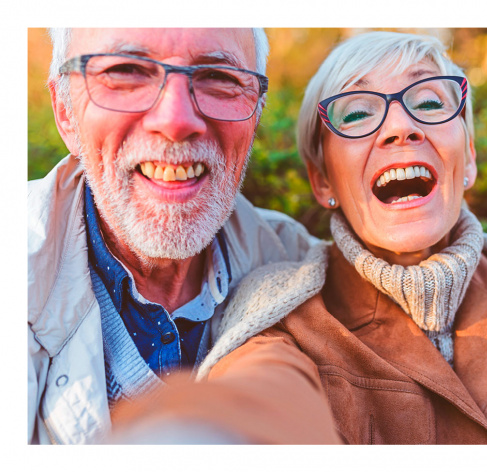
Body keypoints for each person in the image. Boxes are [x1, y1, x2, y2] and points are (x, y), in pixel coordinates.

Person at [193, 30, 487, 444]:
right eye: (356, 114)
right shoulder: (279, 318)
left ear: (470, 158)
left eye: (429, 103)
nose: (401, 127)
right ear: (322, 181)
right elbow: (256, 405)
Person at [28, 27, 339, 444]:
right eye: (126, 72)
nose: (175, 121)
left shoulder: (299, 266)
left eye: (219, 78)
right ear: (65, 111)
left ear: (256, 113)